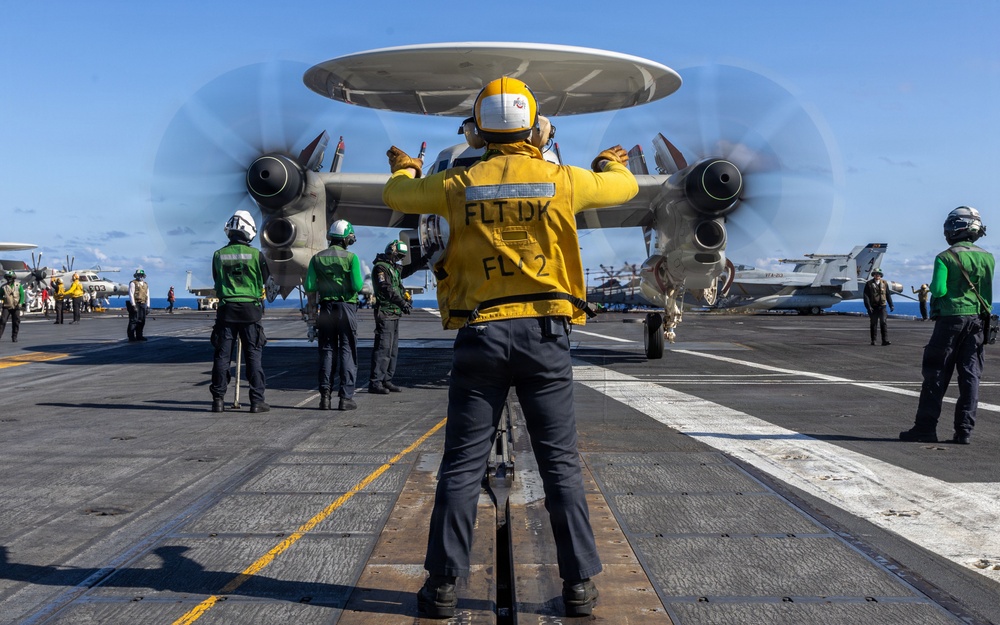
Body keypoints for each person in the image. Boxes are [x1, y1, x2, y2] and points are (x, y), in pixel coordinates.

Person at [382, 76, 639, 619]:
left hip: (482, 335)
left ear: (476, 133)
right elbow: (626, 191)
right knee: (561, 465)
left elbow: (397, 197)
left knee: (460, 466)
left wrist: (406, 167)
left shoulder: (456, 183)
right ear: (539, 129)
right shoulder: (564, 180)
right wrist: (612, 163)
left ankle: (443, 588)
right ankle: (577, 587)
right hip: (546, 337)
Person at [900, 206, 995, 445]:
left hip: (950, 321)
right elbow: (987, 294)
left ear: (953, 229)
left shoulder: (945, 257)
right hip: (977, 322)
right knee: (971, 377)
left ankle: (925, 428)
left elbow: (940, 290)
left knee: (936, 374)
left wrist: (934, 290)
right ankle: (964, 431)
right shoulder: (988, 257)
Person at [209, 210, 270, 413]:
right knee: (253, 356)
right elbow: (264, 278)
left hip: (226, 311)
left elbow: (217, 280)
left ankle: (218, 400)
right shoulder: (257, 255)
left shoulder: (218, 255)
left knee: (222, 356)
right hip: (250, 312)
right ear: (249, 231)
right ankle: (256, 401)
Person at [304, 219, 365, 411]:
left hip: (326, 308)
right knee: (347, 349)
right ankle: (346, 398)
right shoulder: (351, 258)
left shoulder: (317, 258)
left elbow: (310, 286)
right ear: (346, 239)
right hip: (346, 308)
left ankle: (325, 397)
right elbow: (357, 286)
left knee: (327, 350)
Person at [368, 239, 418, 394]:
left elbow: (409, 270)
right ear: (391, 252)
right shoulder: (381, 268)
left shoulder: (394, 269)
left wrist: (427, 256)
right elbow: (386, 288)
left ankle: (387, 380)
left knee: (392, 350)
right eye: (398, 256)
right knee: (383, 349)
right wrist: (402, 303)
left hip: (394, 313)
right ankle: (375, 383)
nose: (399, 260)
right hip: (385, 312)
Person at [863, 268, 894, 345]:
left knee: (883, 322)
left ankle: (885, 340)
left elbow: (887, 294)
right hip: (873, 306)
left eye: (879, 274)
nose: (877, 275)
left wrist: (891, 305)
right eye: (876, 274)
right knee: (874, 323)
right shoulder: (869, 284)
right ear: (873, 275)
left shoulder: (884, 283)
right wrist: (868, 306)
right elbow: (866, 296)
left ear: (881, 275)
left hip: (882, 306)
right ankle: (873, 340)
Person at [0, 271, 26, 343]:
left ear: (13, 278)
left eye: (10, 277)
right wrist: (2, 300)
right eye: (7, 277)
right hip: (6, 306)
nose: (8, 279)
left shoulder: (18, 285)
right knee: (2, 321)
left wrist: (20, 303)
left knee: (16, 322)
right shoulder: (3, 287)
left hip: (16, 307)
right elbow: (0, 295)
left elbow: (22, 295)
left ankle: (14, 336)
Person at [127, 269, 150, 341]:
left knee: (142, 320)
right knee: (133, 320)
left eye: (141, 275)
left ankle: (139, 335)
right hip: (136, 303)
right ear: (136, 275)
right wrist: (133, 305)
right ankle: (131, 337)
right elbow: (131, 294)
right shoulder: (133, 283)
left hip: (143, 304)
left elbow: (148, 295)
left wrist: (148, 306)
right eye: (138, 275)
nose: (140, 277)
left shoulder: (146, 284)